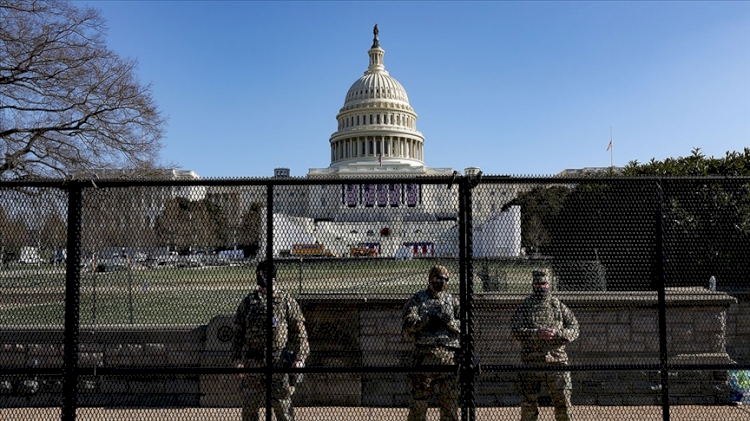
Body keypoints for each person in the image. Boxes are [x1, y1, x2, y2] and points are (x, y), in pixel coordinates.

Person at [231, 260, 309, 421]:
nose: (261, 277)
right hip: (254, 361)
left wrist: (300, 358)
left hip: (278, 361)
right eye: (259, 273)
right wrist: (237, 359)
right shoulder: (249, 302)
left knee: (282, 407)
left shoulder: (286, 301)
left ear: (272, 276)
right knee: (250, 406)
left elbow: (300, 332)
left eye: (264, 273)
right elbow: (238, 333)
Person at [511, 269, 579, 421]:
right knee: (529, 403)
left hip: (557, 362)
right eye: (537, 283)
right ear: (532, 285)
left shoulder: (558, 306)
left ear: (549, 284)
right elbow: (515, 330)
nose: (540, 287)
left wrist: (558, 334)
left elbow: (575, 328)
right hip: (532, 362)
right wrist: (536, 333)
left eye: (544, 283)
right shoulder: (525, 307)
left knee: (563, 403)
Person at [402, 265, 461, 421]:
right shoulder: (418, 299)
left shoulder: (451, 300)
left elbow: (466, 326)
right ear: (430, 278)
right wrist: (426, 320)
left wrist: (450, 322)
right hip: (425, 357)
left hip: (449, 359)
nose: (441, 282)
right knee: (418, 405)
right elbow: (408, 323)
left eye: (445, 279)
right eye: (438, 278)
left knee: (450, 405)